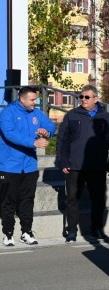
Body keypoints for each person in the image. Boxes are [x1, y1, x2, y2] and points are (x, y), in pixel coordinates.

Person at [56, 85, 109, 243]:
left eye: (87, 97)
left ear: (96, 99)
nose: (83, 100)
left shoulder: (105, 117)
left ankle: (96, 229)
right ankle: (71, 231)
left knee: (98, 198)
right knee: (72, 198)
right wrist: (63, 161)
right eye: (81, 97)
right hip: (75, 166)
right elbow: (62, 141)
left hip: (97, 166)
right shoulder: (72, 115)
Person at [0, 87, 56, 246]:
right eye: (32, 100)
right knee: (8, 200)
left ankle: (26, 231)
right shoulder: (7, 113)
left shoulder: (36, 113)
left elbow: (51, 126)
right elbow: (10, 134)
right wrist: (33, 142)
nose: (35, 103)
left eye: (37, 99)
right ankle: (8, 233)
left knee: (27, 200)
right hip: (9, 166)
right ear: (22, 99)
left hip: (29, 166)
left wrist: (47, 131)